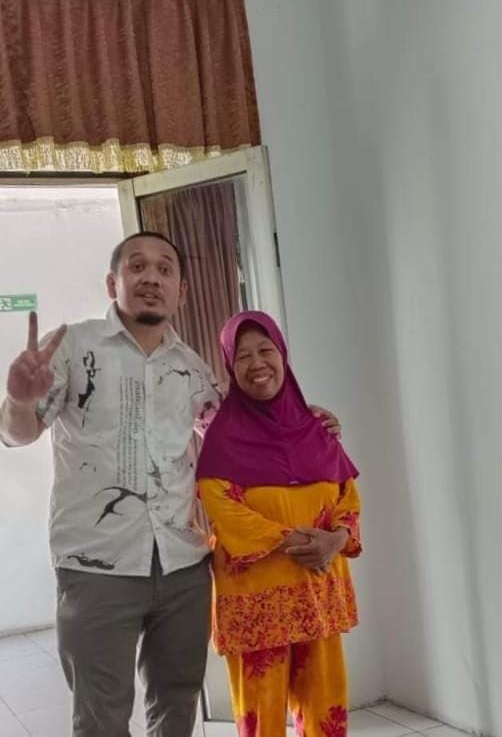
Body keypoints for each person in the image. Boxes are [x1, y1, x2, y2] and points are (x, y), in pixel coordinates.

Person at [0, 232, 341, 737]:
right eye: (137, 266)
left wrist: (303, 424)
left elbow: (241, 434)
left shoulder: (191, 368)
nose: (151, 278)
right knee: (100, 716)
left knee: (177, 706)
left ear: (181, 291)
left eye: (165, 269)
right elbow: (17, 435)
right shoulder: (73, 346)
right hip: (97, 566)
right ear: (113, 283)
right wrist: (20, 400)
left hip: (184, 567)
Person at [197, 311, 362, 737]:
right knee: (261, 717)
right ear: (230, 367)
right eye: (243, 356)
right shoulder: (222, 435)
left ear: (282, 355)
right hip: (255, 599)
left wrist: (336, 539)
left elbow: (347, 495)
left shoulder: (317, 426)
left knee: (324, 708)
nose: (257, 364)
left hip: (316, 590)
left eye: (265, 350)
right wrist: (302, 542)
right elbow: (221, 506)